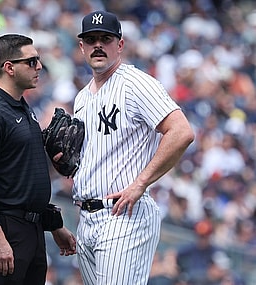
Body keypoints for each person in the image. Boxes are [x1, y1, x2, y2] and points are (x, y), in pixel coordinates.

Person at [71, 10, 195, 285]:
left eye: (106, 38)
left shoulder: (135, 84)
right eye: (91, 39)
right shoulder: (81, 97)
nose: (98, 45)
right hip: (87, 217)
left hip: (125, 214)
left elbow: (181, 131)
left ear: (120, 45)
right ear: (82, 46)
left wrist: (140, 184)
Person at [0, 34, 76, 285]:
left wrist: (54, 225)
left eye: (38, 60)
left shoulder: (21, 107)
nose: (39, 66)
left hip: (32, 229)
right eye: (31, 62)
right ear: (9, 67)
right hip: (6, 229)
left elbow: (25, 179)